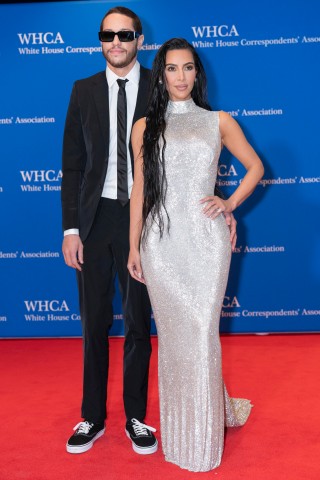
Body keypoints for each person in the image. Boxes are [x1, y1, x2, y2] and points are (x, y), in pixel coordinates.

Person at [61, 7, 237, 457]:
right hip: (96, 217)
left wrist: (224, 207)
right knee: (93, 321)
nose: (116, 41)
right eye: (108, 34)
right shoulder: (83, 91)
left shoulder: (160, 90)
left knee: (140, 323)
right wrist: (71, 228)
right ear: (100, 41)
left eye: (125, 34)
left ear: (139, 39)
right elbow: (73, 165)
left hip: (150, 222)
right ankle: (92, 416)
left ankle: (137, 417)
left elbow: (189, 153)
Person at [128, 38, 264, 472]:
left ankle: (203, 441)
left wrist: (229, 204)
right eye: (172, 69)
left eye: (188, 68)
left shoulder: (218, 121)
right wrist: (134, 245)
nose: (181, 77)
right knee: (175, 340)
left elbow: (256, 167)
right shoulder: (145, 128)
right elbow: (139, 192)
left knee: (202, 332)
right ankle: (186, 427)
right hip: (160, 243)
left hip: (206, 242)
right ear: (161, 74)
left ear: (197, 73)